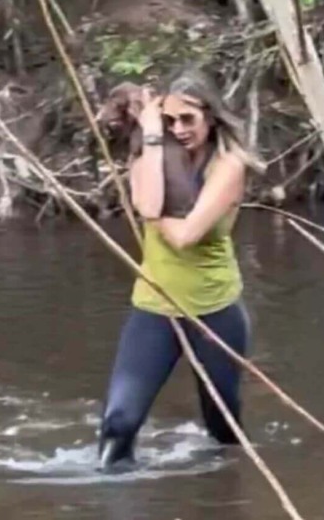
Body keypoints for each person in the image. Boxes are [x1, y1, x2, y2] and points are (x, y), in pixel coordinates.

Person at [97, 68, 265, 470]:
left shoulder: (229, 166)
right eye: (170, 120)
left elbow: (184, 234)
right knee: (118, 423)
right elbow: (151, 204)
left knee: (223, 429)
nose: (179, 128)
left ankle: (224, 499)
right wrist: (152, 135)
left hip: (214, 310)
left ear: (211, 116)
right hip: (155, 307)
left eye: (188, 119)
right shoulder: (150, 151)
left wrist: (150, 211)